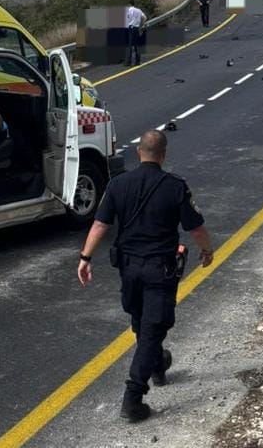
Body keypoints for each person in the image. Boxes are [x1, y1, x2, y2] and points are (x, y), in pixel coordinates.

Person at [76, 130, 215, 422]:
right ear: (163, 155)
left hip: (129, 270)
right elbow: (196, 228)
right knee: (152, 327)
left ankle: (156, 364)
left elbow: (100, 224)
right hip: (158, 269)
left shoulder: (118, 184)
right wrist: (207, 251)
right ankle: (133, 397)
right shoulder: (175, 186)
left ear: (139, 152)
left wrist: (85, 258)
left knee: (142, 323)